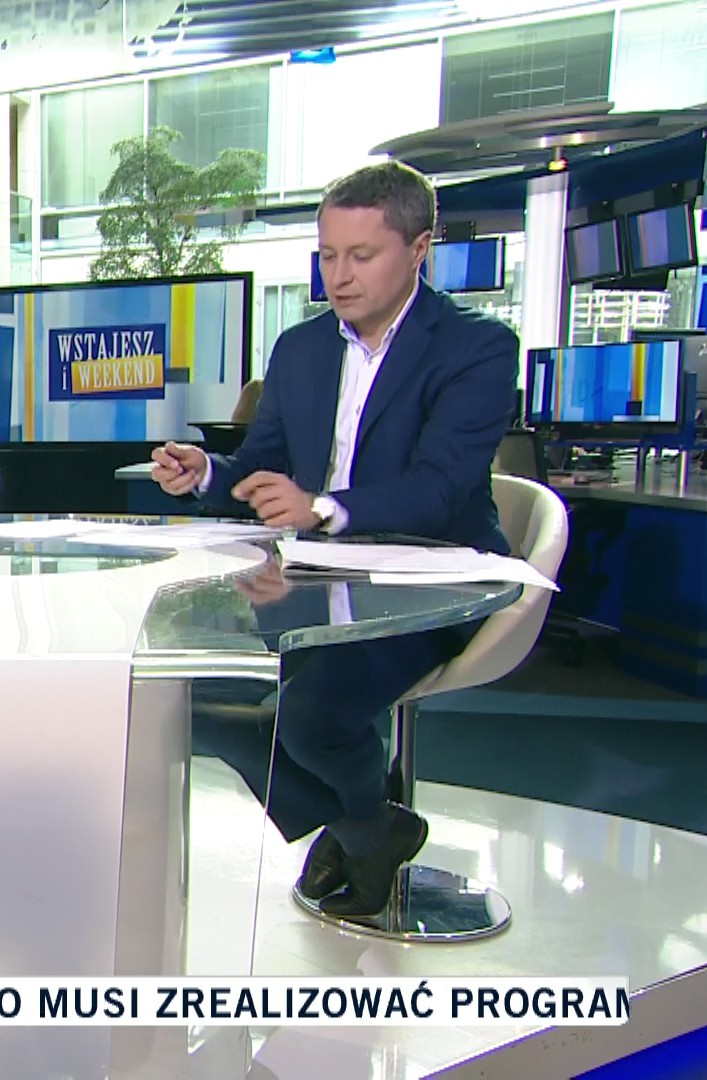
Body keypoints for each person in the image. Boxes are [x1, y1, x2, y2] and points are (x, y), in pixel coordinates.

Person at [150, 161, 515, 920]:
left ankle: (359, 827)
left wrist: (321, 507)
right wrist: (207, 472)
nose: (337, 276)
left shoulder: (477, 347)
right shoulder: (301, 349)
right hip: (317, 578)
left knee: (311, 715)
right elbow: (263, 468)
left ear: (419, 249)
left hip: (430, 581)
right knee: (191, 689)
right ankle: (366, 825)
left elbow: (440, 488)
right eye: (326, 255)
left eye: (361, 256)